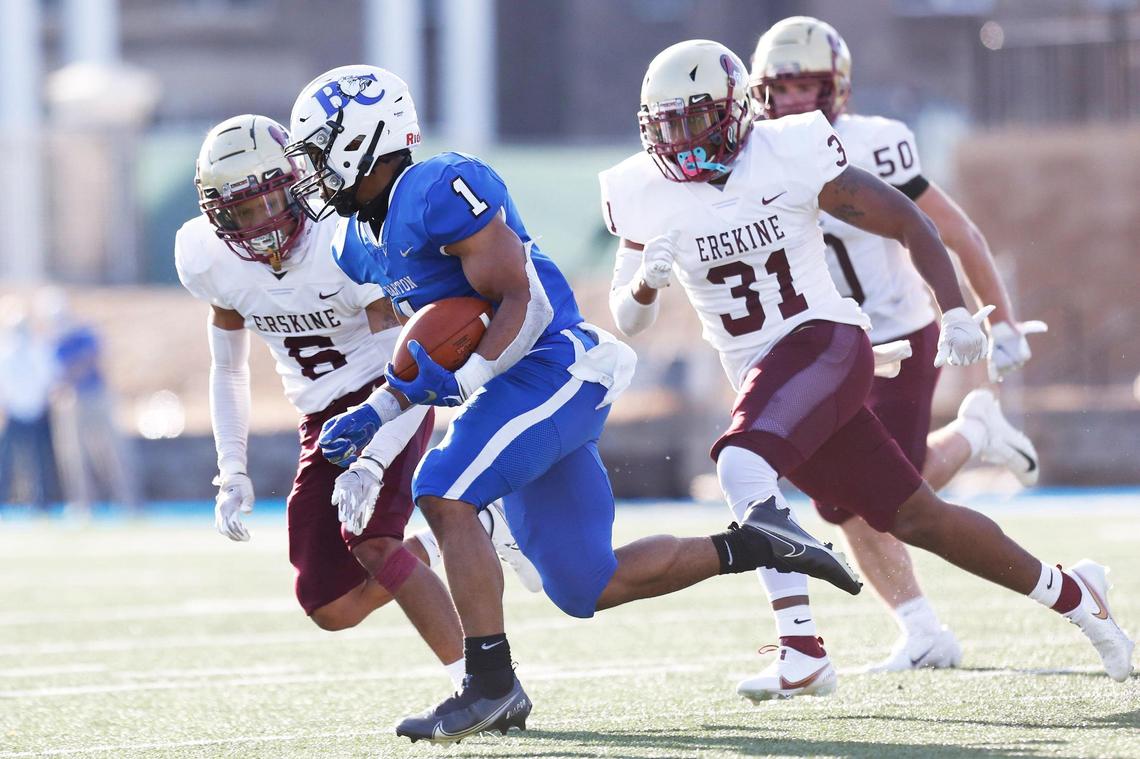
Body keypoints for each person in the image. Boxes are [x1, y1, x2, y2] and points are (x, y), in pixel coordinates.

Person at [287, 65, 863, 744]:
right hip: (515, 387)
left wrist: (471, 374)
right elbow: (421, 350)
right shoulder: (358, 243)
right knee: (587, 583)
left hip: (551, 367)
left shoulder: (437, 189)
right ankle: (760, 542)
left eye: (323, 149)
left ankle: (491, 685)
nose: (316, 171)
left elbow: (519, 300)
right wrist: (380, 415)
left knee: (442, 491)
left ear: (364, 138)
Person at [599, 39, 1133, 702]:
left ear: (733, 112)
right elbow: (628, 319)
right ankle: (1079, 594)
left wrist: (958, 311)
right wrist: (646, 286)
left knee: (740, 464)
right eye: (667, 125)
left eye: (693, 120)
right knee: (914, 517)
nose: (680, 140)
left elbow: (909, 220)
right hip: (765, 371)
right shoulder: (639, 191)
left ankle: (800, 649)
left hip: (825, 339)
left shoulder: (789, 150)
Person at [174, 114, 541, 694]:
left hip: (383, 396)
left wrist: (374, 455)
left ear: (296, 184)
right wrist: (232, 469)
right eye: (239, 213)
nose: (259, 225)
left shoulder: (345, 243)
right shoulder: (204, 256)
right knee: (331, 605)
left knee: (372, 540)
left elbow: (408, 359)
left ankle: (480, 686)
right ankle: (483, 528)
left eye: (267, 203)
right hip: (320, 417)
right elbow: (228, 365)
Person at [736, 16, 1052, 682]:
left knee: (885, 497)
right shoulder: (752, 155)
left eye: (807, 85)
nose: (792, 99)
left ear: (837, 88)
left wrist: (1001, 322)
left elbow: (956, 231)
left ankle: (971, 435)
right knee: (840, 500)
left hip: (899, 333)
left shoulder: (875, 145)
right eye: (780, 85)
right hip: (822, 340)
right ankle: (923, 628)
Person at [36, 287, 140, 516]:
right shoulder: (51, 343)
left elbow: (88, 362)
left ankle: (128, 503)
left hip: (96, 396)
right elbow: (52, 376)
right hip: (70, 402)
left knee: (112, 452)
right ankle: (83, 505)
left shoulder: (84, 334)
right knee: (73, 456)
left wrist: (68, 375)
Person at [0, 303, 60, 511]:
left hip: (35, 412)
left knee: (39, 462)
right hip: (16, 412)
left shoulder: (38, 350)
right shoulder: (6, 353)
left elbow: (48, 381)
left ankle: (40, 503)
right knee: (7, 461)